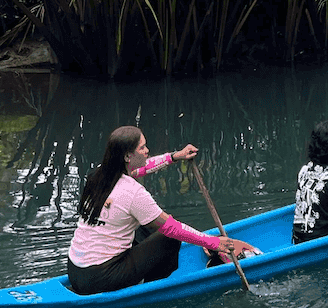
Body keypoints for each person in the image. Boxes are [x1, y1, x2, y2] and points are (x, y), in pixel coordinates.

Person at [67, 126, 259, 296]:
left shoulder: (100, 173)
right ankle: (151, 290)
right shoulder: (133, 193)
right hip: (102, 278)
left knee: (145, 226)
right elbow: (172, 228)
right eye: (142, 148)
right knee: (169, 238)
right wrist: (212, 241)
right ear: (127, 156)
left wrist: (174, 157)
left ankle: (138, 278)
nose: (147, 151)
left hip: (76, 272)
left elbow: (140, 168)